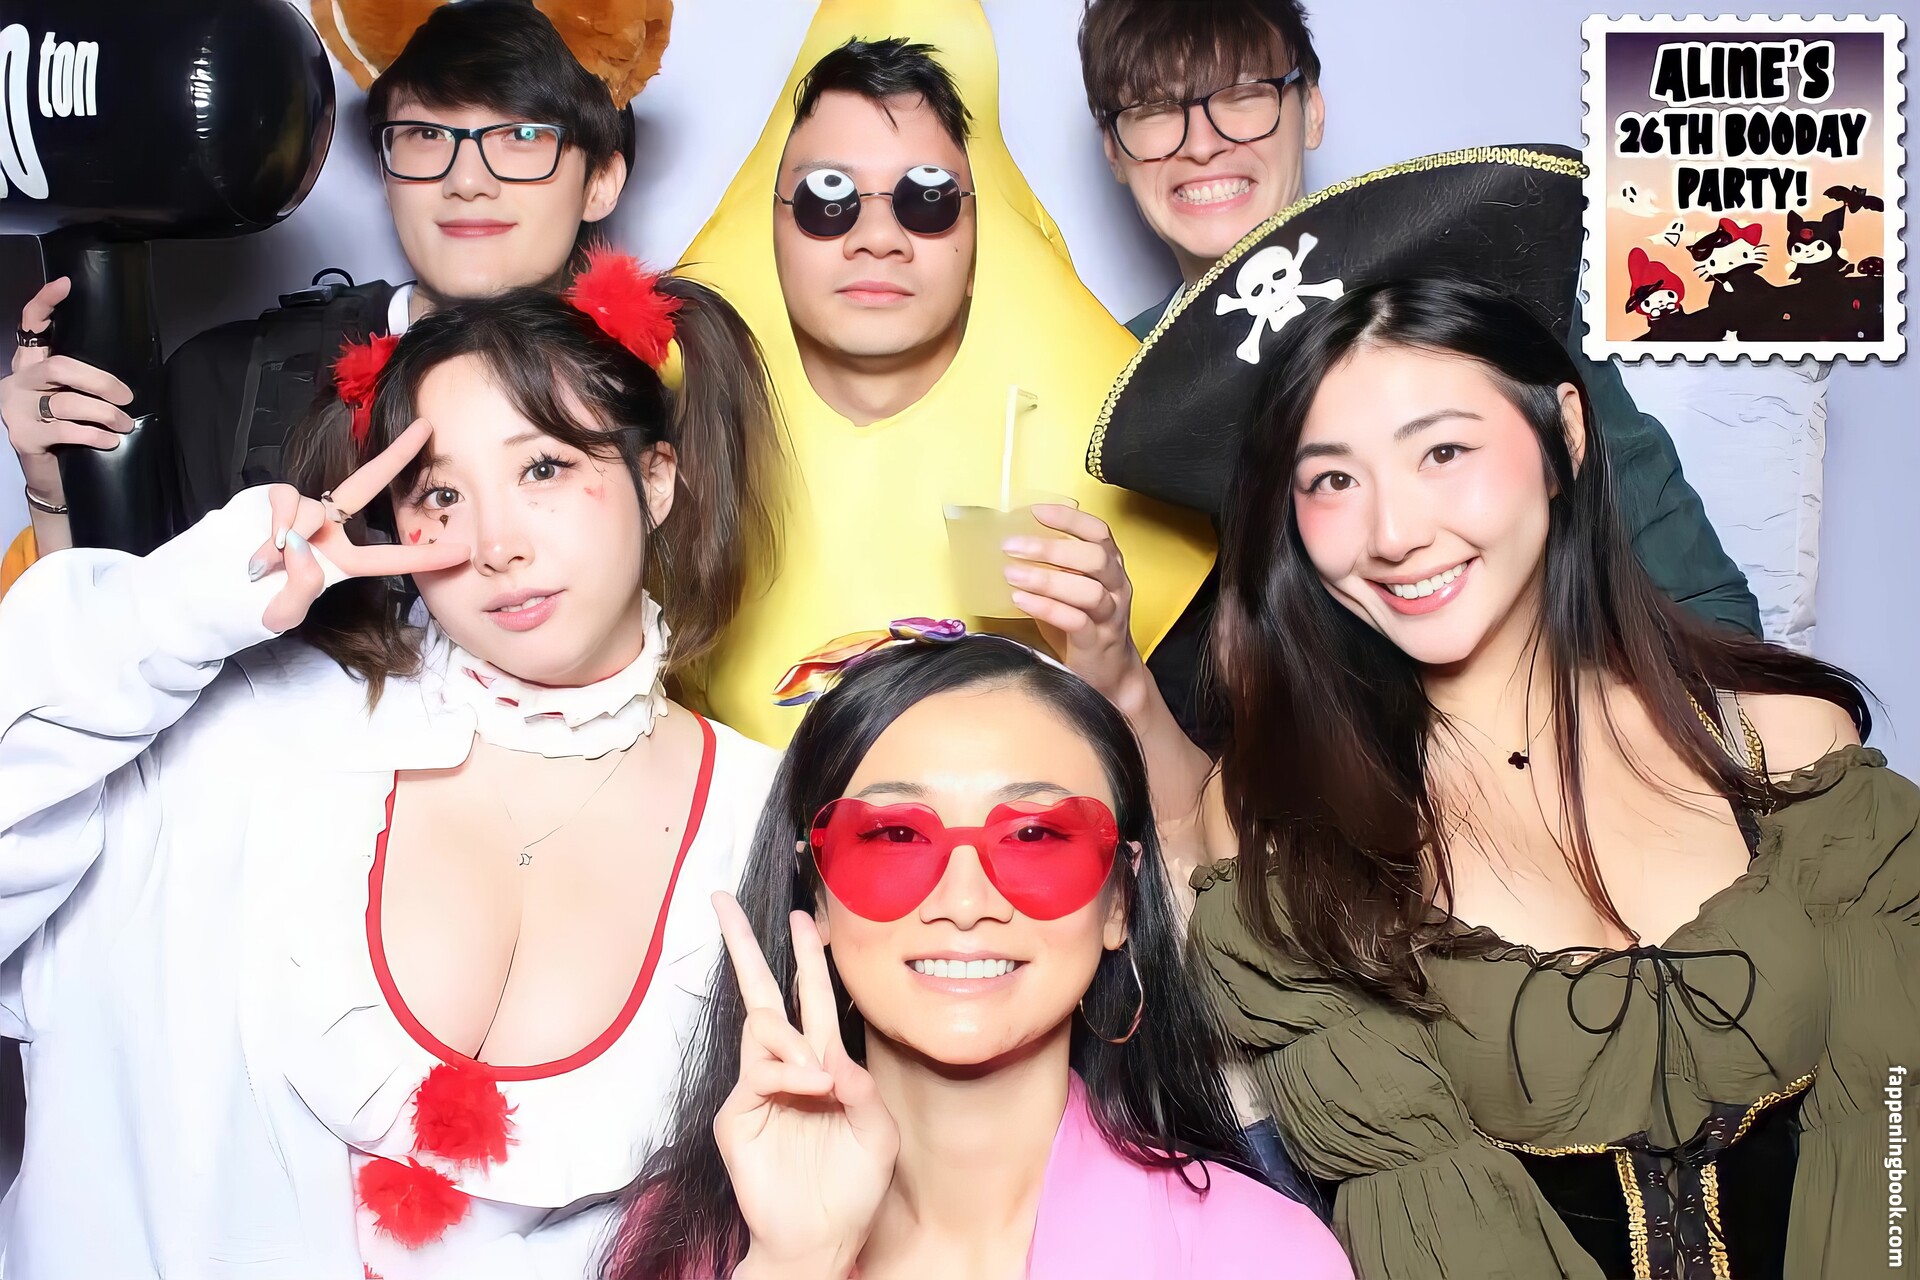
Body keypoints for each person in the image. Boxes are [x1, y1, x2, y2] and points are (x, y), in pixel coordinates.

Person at [0, 254, 783, 1277]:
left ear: (656, 479)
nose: (496, 544)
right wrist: (190, 604)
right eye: (440, 494)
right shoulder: (251, 732)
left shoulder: (761, 819)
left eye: (543, 469)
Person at [1187, 276, 1914, 1279]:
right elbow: (1428, 1224)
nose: (1393, 532)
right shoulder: (1285, 822)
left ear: (1563, 433)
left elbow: (1892, 1128)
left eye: (1444, 452)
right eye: (1334, 481)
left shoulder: (1781, 738)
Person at [1073, 0, 1763, 735]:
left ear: (1311, 109)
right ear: (1113, 148)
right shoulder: (1107, 394)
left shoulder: (1477, 302)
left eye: (1243, 95)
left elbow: (1706, 615)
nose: (1203, 144)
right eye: (1155, 111)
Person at [602, 635, 1354, 1280]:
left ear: (1119, 901)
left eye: (1034, 836)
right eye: (896, 836)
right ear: (816, 893)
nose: (965, 902)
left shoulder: (1263, 1254)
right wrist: (795, 1262)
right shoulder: (686, 1240)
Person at [673, 2, 1215, 755]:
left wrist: (1115, 673)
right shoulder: (656, 447)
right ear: (773, 226)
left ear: (978, 232)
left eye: (926, 199)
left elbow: (1205, 810)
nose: (877, 239)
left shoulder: (1124, 467)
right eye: (827, 199)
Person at [0, 0, 638, 588]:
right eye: (426, 135)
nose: (466, 180)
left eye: (522, 136)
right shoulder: (223, 385)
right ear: (385, 170)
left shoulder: (652, 389)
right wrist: (58, 490)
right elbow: (114, 634)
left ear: (601, 182)